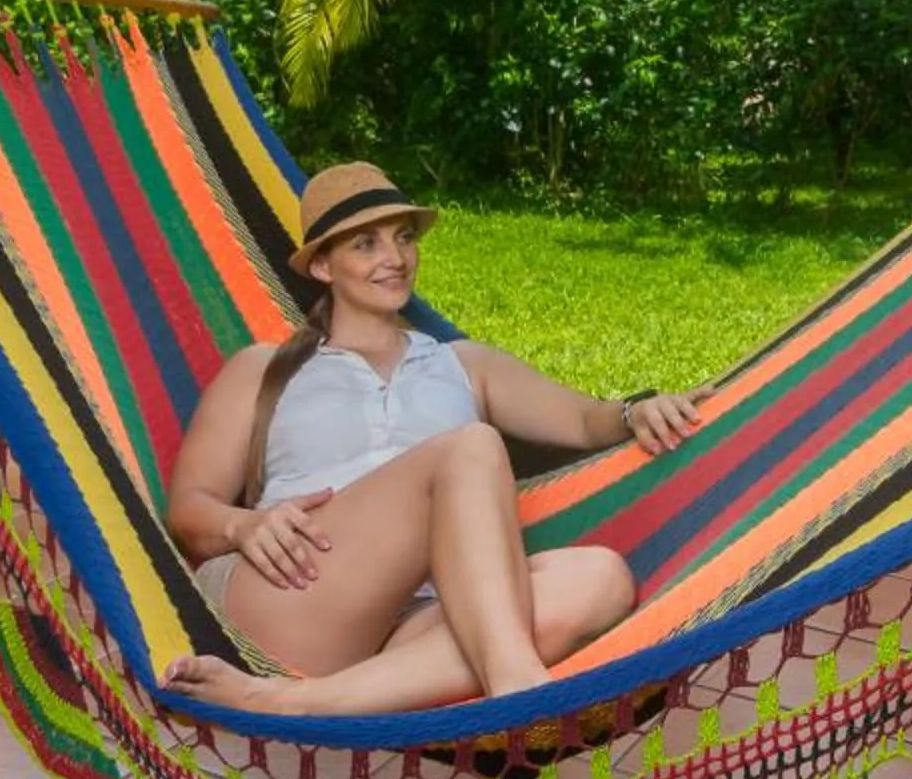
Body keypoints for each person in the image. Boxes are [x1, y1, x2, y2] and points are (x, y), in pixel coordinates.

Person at [160, 162, 700, 716]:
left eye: (403, 239)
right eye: (365, 245)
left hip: (427, 620)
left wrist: (637, 410)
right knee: (471, 448)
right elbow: (189, 511)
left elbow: (588, 420)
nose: (394, 259)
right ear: (322, 264)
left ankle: (302, 703)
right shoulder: (264, 370)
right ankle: (517, 687)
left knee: (601, 578)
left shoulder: (462, 364)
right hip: (296, 587)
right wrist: (243, 523)